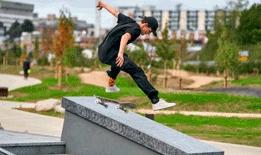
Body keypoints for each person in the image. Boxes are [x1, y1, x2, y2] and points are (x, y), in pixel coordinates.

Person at [97, 0, 176, 111]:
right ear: (145, 25)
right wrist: (120, 54)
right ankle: (155, 101)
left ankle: (111, 85)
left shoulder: (128, 20)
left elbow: (115, 12)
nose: (148, 33)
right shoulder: (136, 29)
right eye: (150, 30)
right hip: (110, 54)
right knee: (136, 71)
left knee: (124, 58)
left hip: (103, 51)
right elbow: (125, 36)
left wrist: (103, 4)